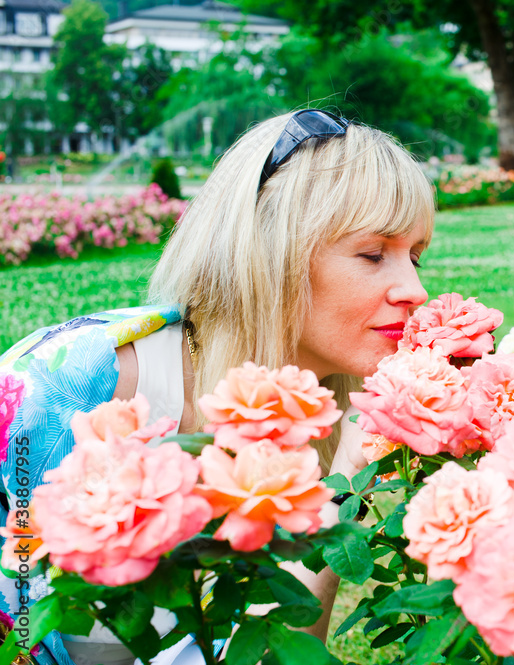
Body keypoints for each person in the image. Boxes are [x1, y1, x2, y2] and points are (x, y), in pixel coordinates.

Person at [0, 110, 434, 665]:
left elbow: (272, 655)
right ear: (270, 252)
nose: (415, 289)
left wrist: (342, 491)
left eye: (415, 256)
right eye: (373, 254)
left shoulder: (331, 418)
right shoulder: (61, 390)